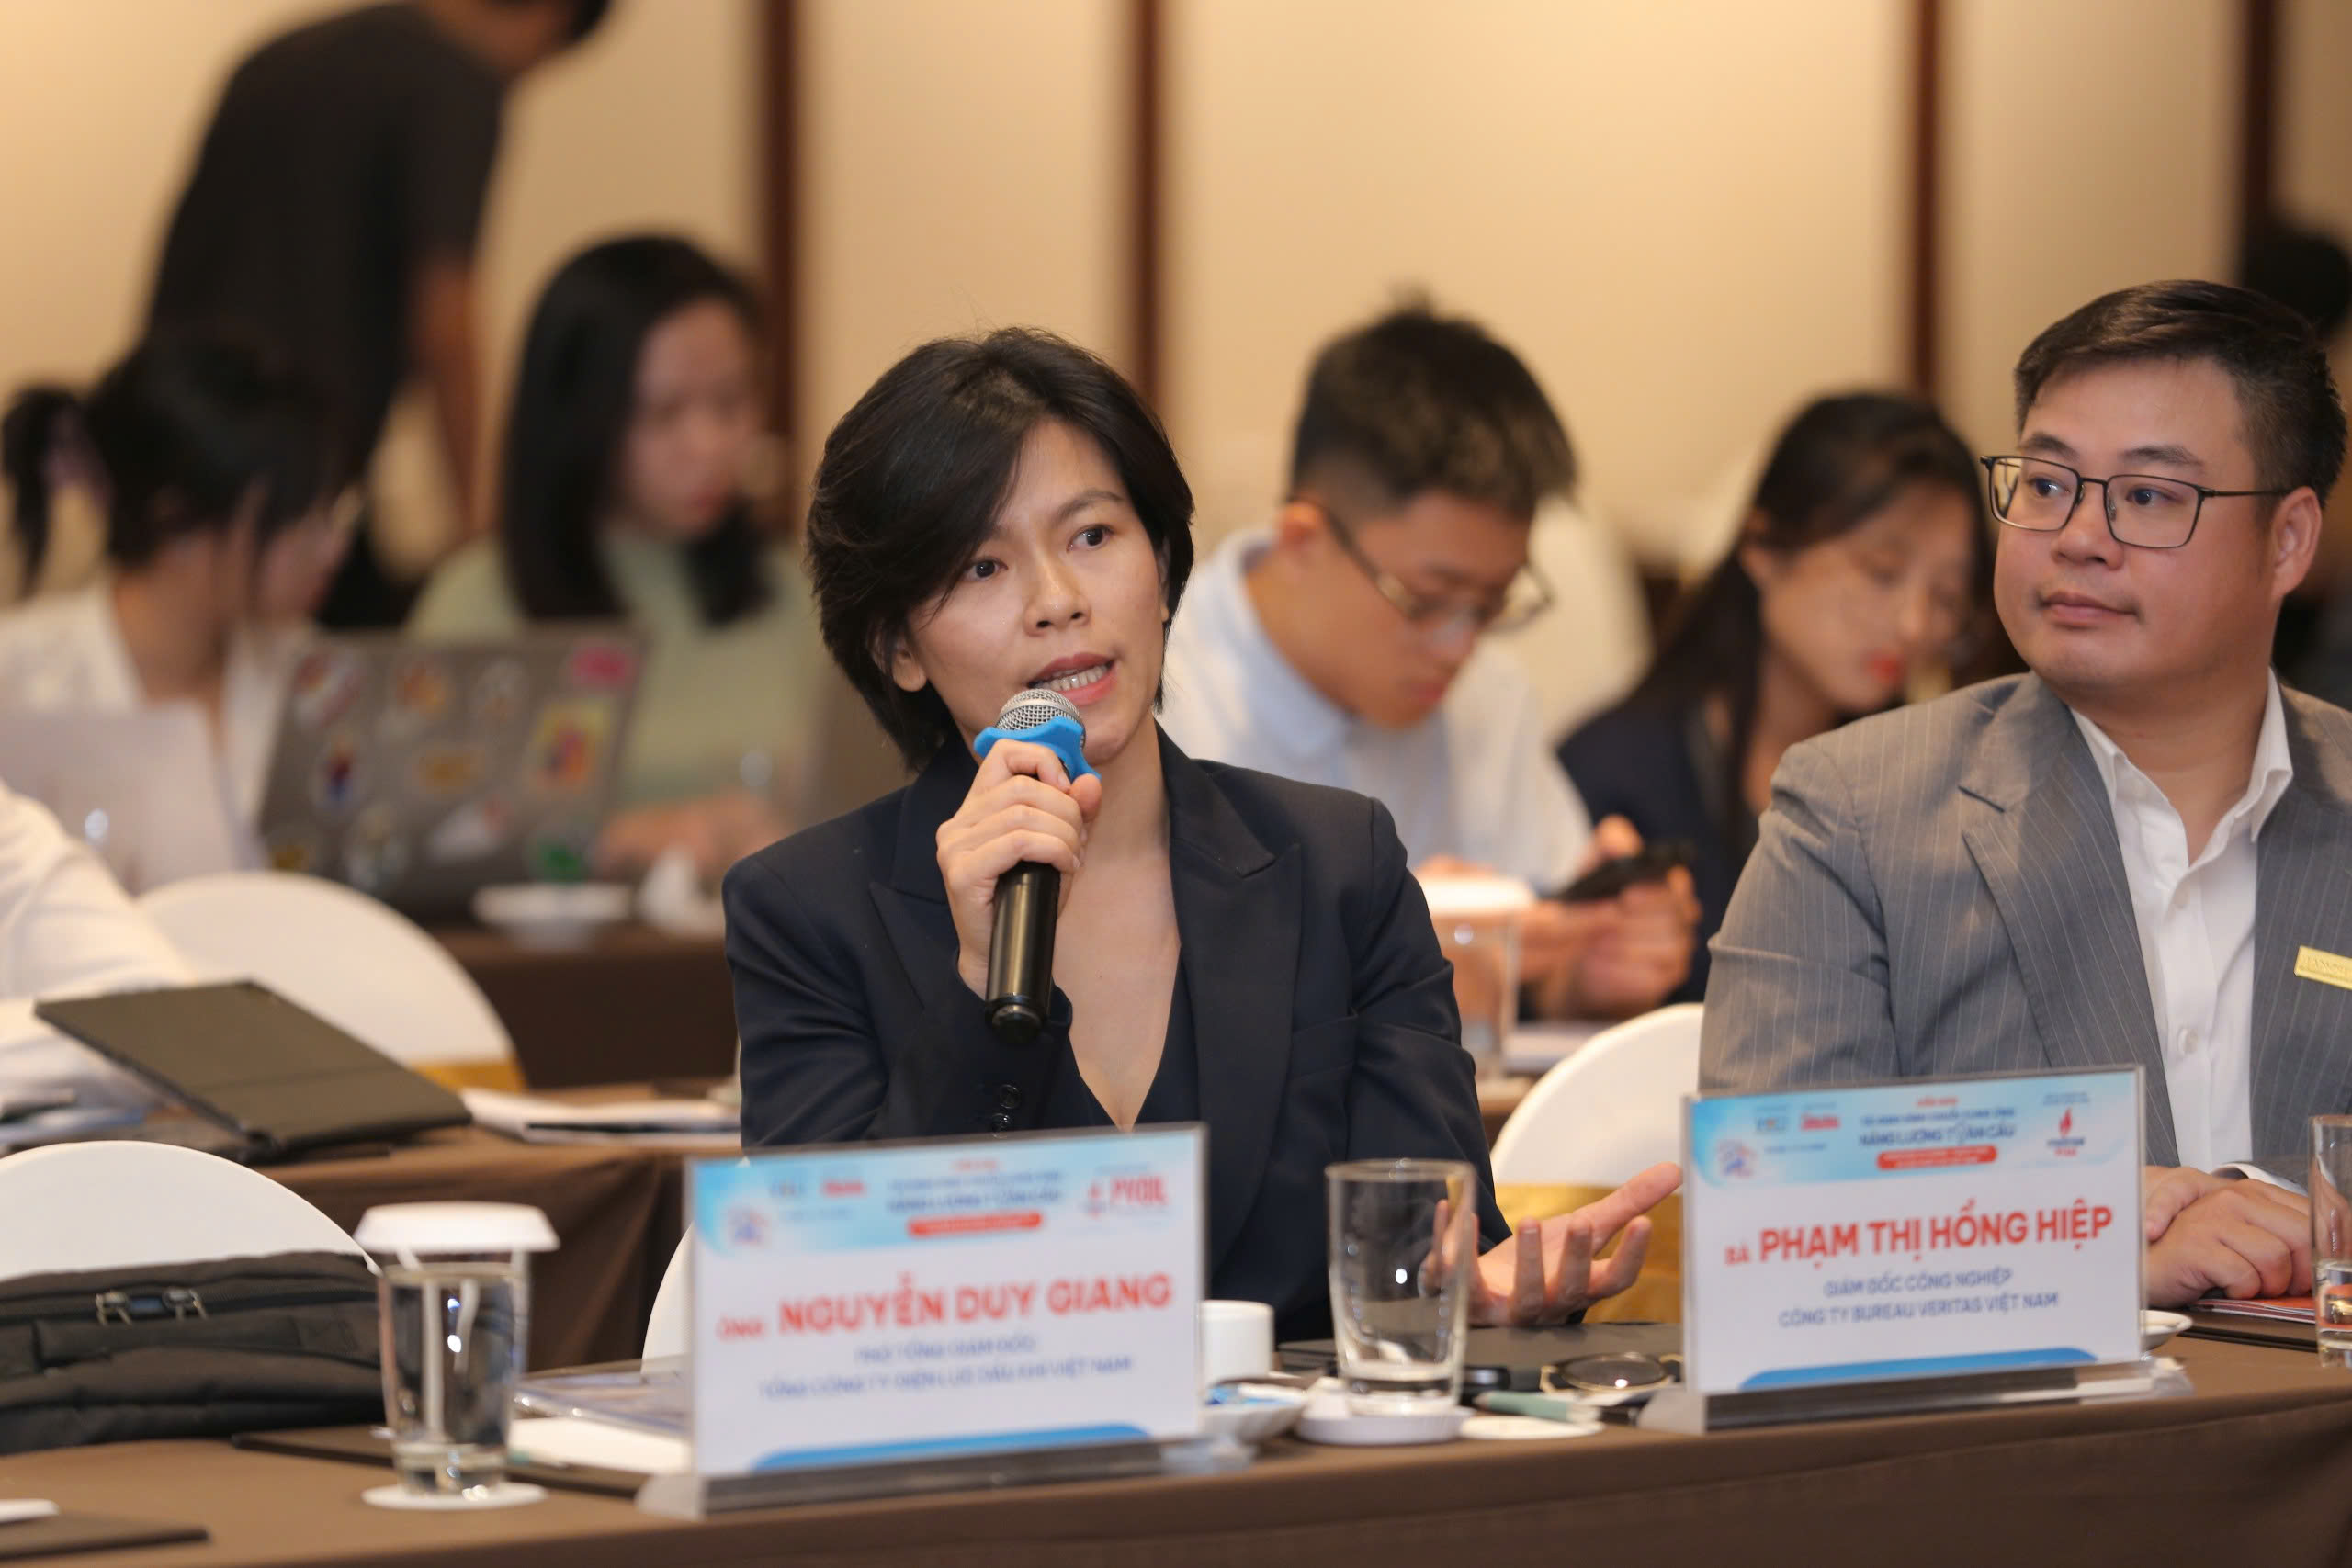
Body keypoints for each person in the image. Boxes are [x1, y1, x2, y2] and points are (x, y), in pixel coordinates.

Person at [723, 327, 1679, 1339]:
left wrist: (1475, 1296)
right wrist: (974, 990)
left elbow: (1433, 1250)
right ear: (897, 647)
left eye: (1094, 536)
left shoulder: (1339, 866)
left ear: (1166, 564)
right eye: (982, 566)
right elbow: (830, 1308)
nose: (1059, 602)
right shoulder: (806, 911)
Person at [1701, 279, 2350, 1308]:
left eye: (2147, 496)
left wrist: (2270, 1215)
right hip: (2016, 1411)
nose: (2078, 536)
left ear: (2287, 540)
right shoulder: (1855, 815)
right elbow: (1763, 1220)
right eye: (2046, 485)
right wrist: (2094, 1249)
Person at [1159, 305, 1698, 1018]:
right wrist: (1385, 955)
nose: (1459, 646)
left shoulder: (1489, 697)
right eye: (1427, 600)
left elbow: (1533, 960)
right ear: (1303, 541)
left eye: (1492, 603)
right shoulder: (1155, 689)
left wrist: (1592, 971)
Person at [148, 0, 611, 628]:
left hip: (172, 435)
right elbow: (444, 315)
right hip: (298, 470)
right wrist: (476, 515)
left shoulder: (281, 56)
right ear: (554, 18)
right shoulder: (458, 83)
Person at [409, 234, 829, 879]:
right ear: (580, 417)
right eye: (662, 413)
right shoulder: (476, 603)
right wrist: (621, 839)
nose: (708, 445)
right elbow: (419, 835)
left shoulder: (791, 595)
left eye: (730, 403)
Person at [1559, 392, 1988, 1002]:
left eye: (1947, 597)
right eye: (1882, 570)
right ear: (1763, 547)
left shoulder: (1930, 788)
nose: (1915, 624)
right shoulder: (1614, 774)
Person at [0, 332, 349, 828]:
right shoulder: (20, 680)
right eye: (298, 517)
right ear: (178, 520)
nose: (332, 547)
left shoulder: (313, 675)